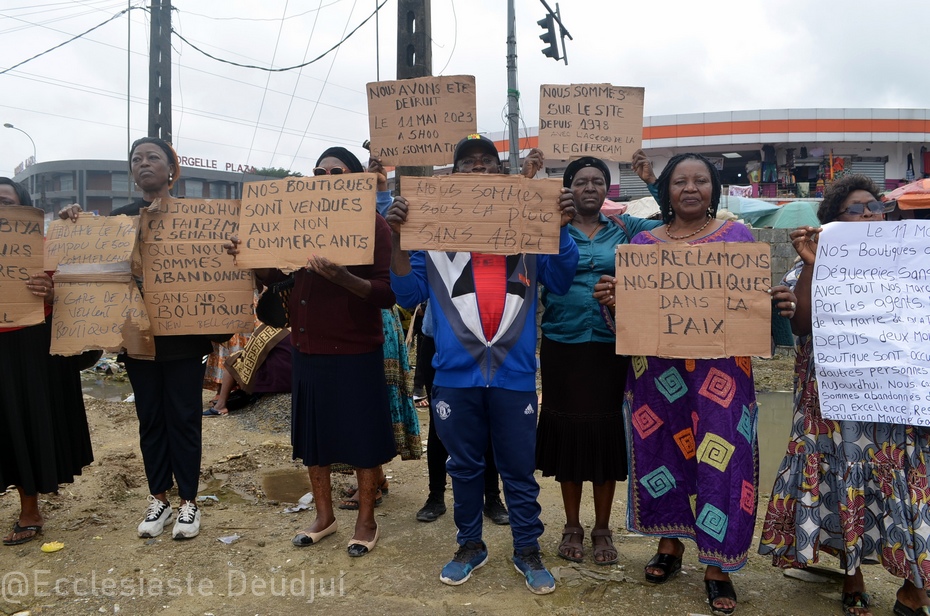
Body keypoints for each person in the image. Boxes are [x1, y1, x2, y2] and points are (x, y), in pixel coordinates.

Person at [597, 153, 796, 615]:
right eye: (680, 181)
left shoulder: (738, 238)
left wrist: (775, 304)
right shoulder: (644, 245)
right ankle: (671, 544)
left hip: (720, 375)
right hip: (657, 374)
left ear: (714, 189)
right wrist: (614, 300)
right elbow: (630, 322)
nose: (690, 188)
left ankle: (717, 564)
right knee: (664, 451)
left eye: (701, 181)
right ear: (665, 190)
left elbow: (756, 315)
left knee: (720, 459)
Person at [387, 134, 579, 594]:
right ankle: (469, 545)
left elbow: (561, 277)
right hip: (454, 377)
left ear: (501, 173)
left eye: (487, 163)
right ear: (453, 177)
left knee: (517, 467)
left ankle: (527, 548)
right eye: (467, 164)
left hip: (513, 376)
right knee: (465, 467)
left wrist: (562, 226)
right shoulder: (430, 233)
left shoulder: (530, 227)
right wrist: (397, 237)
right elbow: (407, 294)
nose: (478, 169)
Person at [758, 175, 930, 616]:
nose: (872, 214)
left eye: (877, 207)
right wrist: (814, 264)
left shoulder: (911, 263)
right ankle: (852, 576)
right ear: (832, 221)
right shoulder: (808, 264)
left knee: (908, 489)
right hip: (834, 405)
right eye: (858, 209)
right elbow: (799, 326)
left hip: (896, 404)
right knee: (844, 486)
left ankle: (915, 586)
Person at [226, 146, 397, 556]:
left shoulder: (374, 226)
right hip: (308, 349)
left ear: (355, 180)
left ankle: (366, 520)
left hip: (356, 350)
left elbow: (387, 294)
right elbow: (273, 275)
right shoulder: (295, 222)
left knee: (362, 438)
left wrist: (342, 277)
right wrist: (249, 257)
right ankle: (324, 516)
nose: (324, 176)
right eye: (318, 170)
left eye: (336, 171)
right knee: (313, 438)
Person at [59, 137, 212, 540]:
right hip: (138, 340)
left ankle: (189, 504)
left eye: (153, 157)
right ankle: (159, 497)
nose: (143, 163)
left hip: (185, 339)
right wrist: (72, 225)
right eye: (136, 159)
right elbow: (85, 267)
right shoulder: (117, 221)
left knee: (185, 419)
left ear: (171, 168)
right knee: (151, 420)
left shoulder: (196, 218)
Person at [536, 156, 662, 564]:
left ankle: (603, 527)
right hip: (561, 344)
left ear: (608, 190)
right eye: (581, 181)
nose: (589, 187)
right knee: (568, 434)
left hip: (611, 346)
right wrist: (527, 178)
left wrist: (651, 180)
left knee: (606, 434)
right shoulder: (547, 228)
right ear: (568, 188)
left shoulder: (629, 229)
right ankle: (572, 524)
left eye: (598, 181)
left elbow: (675, 226)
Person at [1, 177, 94, 546]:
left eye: (7, 201)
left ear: (24, 207)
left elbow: (80, 289)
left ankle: (29, 509)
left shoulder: (48, 246)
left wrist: (54, 293)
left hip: (29, 348)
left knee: (24, 424)